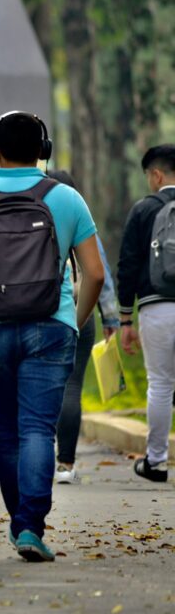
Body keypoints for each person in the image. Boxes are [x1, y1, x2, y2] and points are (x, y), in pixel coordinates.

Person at [0, 111, 103, 562]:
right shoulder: (67, 198)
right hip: (51, 327)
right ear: (43, 150)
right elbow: (94, 272)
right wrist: (73, 320)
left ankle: (21, 523)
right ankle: (30, 525)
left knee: (7, 435)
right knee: (37, 431)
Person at [46, 171, 120, 484]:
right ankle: (65, 464)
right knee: (71, 387)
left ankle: (37, 455)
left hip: (37, 313)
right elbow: (98, 273)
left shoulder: (32, 219)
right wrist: (112, 319)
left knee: (40, 388)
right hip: (79, 311)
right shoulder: (79, 218)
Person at [116, 144, 175, 483]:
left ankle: (156, 462)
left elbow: (127, 265)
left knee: (161, 384)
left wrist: (125, 319)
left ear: (156, 175)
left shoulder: (144, 210)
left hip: (156, 306)